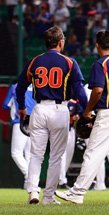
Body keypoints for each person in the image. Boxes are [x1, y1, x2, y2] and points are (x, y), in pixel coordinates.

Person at [56, 30, 109, 204]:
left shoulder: (100, 64)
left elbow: (97, 90)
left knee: (92, 153)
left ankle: (77, 192)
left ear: (97, 45)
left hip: (108, 113)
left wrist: (88, 110)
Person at [16, 26, 88, 205]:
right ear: (61, 42)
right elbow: (79, 90)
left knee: (36, 155)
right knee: (56, 156)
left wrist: (22, 107)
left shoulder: (35, 61)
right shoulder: (69, 62)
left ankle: (33, 191)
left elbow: (20, 87)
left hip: (39, 109)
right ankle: (48, 197)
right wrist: (86, 111)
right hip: (59, 109)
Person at [3, 84, 36, 189]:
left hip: (20, 121)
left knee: (16, 153)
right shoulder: (37, 86)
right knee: (29, 154)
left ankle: (29, 177)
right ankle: (30, 183)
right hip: (34, 123)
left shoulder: (15, 87)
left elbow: (5, 105)